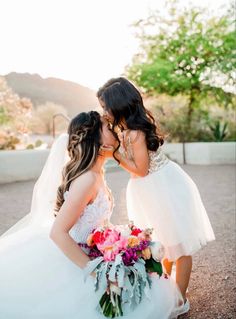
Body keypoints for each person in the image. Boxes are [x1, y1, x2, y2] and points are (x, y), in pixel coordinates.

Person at [0, 111, 182, 319]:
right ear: (95, 138)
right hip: (76, 257)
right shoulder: (87, 179)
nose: (115, 130)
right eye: (108, 127)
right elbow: (58, 232)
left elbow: (97, 223)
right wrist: (99, 272)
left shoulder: (97, 173)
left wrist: (122, 242)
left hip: (95, 250)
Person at [97, 77, 216, 316]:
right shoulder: (128, 131)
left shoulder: (136, 132)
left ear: (119, 105)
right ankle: (165, 288)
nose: (104, 112)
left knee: (179, 246)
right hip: (148, 190)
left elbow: (141, 169)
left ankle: (180, 299)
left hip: (162, 188)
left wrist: (114, 156)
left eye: (105, 107)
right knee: (161, 243)